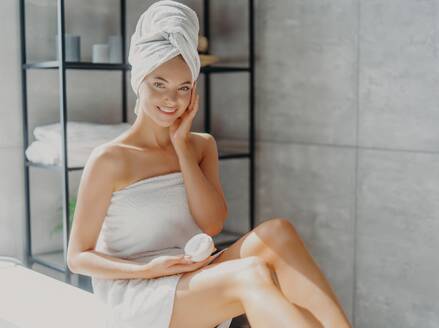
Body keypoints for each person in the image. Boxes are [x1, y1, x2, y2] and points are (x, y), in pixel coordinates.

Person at [66, 1, 351, 327]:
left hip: (192, 273)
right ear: (139, 81)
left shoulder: (201, 146)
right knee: (251, 273)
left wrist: (182, 148)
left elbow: (211, 223)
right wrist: (146, 269)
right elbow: (78, 257)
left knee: (277, 233)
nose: (171, 100)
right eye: (159, 84)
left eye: (183, 88)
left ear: (193, 92)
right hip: (140, 290)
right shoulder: (110, 159)